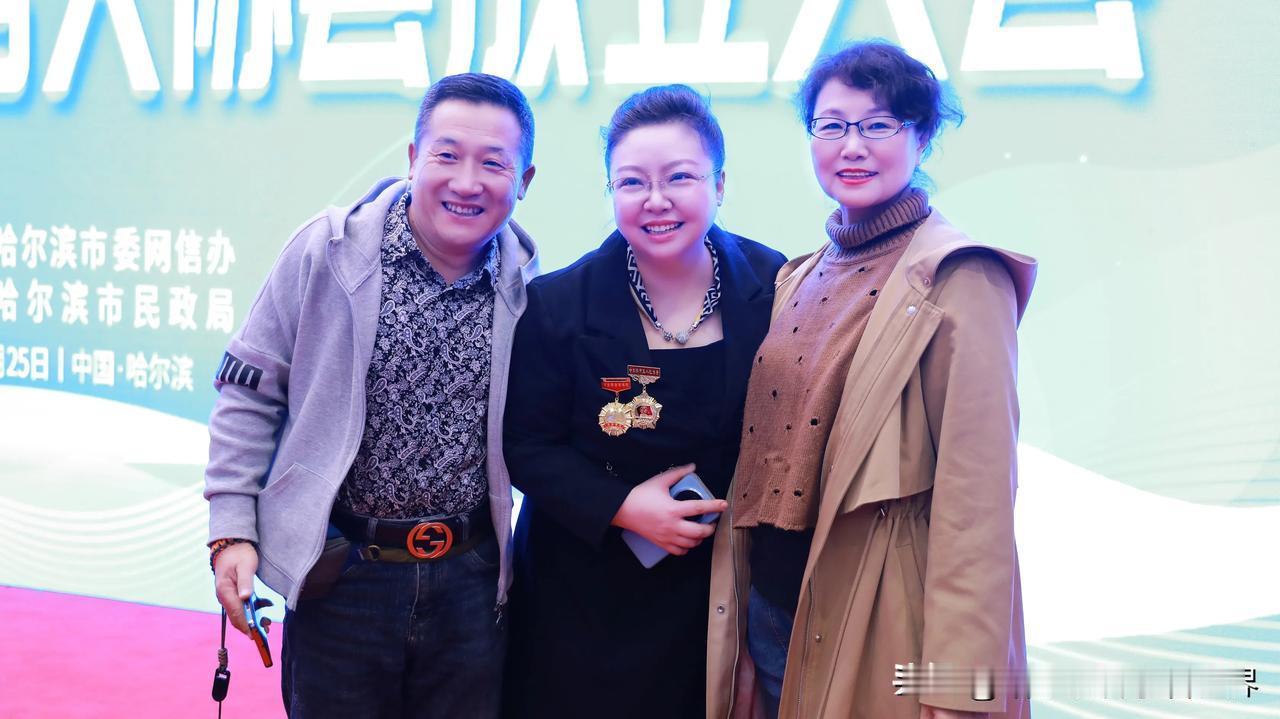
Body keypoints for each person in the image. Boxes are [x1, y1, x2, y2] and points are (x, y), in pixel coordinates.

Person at [706, 41, 1037, 719]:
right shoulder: (798, 274)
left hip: (878, 612)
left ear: (922, 137)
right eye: (831, 125)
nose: (851, 146)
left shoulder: (962, 277)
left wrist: (961, 684)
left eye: (878, 124)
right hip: (773, 608)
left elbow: (977, 500)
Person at [203, 72, 538, 718]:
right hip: (342, 575)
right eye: (447, 155)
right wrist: (231, 531)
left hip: (470, 585)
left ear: (523, 180)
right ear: (413, 158)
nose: (467, 181)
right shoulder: (326, 253)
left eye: (493, 164)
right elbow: (249, 393)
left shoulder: (528, 285)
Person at [501, 85, 786, 719]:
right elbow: (525, 445)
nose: (656, 200)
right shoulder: (558, 304)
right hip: (583, 595)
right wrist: (625, 508)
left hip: (718, 591)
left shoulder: (776, 287)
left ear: (720, 184)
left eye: (679, 177)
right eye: (632, 182)